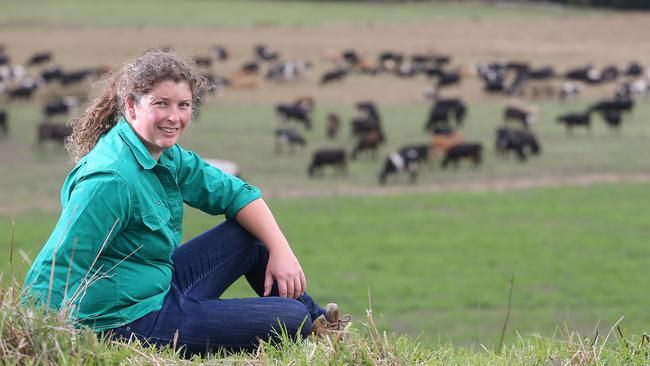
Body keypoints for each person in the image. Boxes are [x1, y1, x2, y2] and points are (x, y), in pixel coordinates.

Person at [22, 49, 348, 356]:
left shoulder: (163, 153)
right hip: (129, 321)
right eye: (161, 104)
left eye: (184, 105)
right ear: (132, 106)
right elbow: (57, 265)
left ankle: (322, 323)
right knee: (290, 318)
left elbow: (237, 194)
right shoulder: (110, 181)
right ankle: (308, 319)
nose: (174, 117)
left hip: (158, 283)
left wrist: (281, 250)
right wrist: (29, 342)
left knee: (253, 234)